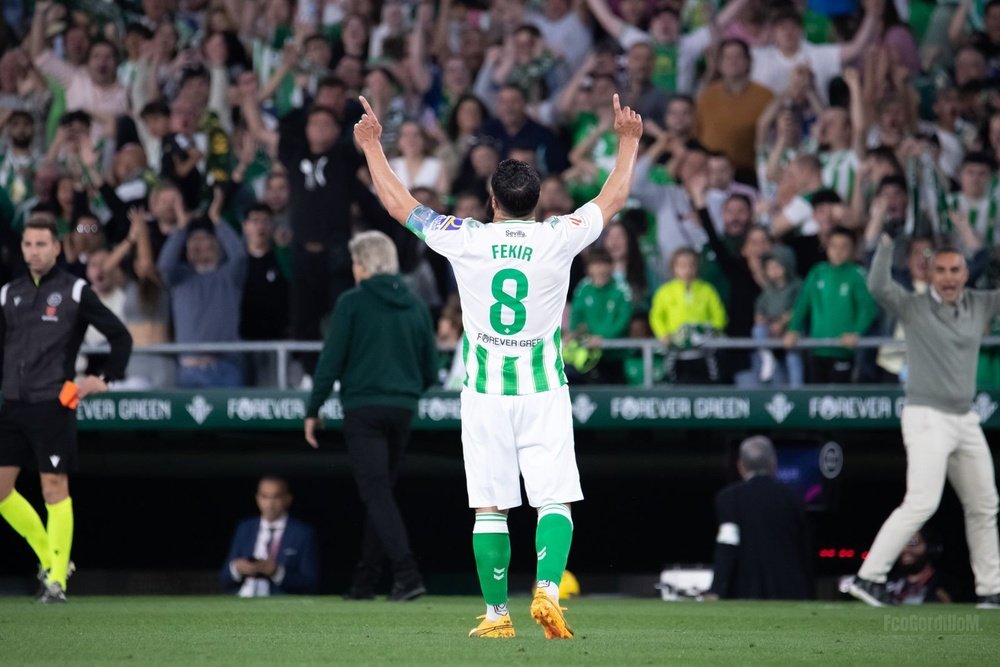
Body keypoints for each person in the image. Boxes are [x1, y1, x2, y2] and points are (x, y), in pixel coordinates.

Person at [352, 93, 642, 638]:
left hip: (484, 392)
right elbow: (615, 195)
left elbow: (399, 205)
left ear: (492, 200)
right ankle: (549, 590)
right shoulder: (559, 236)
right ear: (538, 202)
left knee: (490, 507)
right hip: (543, 390)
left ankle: (495, 615)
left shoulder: (468, 239)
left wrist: (372, 145)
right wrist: (627, 141)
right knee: (553, 498)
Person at [849, 235, 1000, 609]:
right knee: (921, 502)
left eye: (955, 270)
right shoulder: (914, 306)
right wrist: (886, 243)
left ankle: (990, 589)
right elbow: (878, 285)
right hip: (926, 416)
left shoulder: (980, 304)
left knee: (984, 504)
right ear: (931, 274)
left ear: (966, 274)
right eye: (942, 271)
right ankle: (869, 577)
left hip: (964, 418)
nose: (949, 278)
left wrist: (981, 240)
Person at [0, 215, 132, 602]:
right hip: (12, 404)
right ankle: (48, 556)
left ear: (57, 248)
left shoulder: (75, 291)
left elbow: (120, 337)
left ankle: (57, 580)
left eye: (41, 244)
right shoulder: (9, 294)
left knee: (53, 488)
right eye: (28, 244)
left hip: (54, 403)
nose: (34, 251)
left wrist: (102, 378)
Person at [304, 231, 437, 602]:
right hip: (402, 409)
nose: (353, 268)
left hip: (363, 409)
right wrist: (406, 390)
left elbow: (330, 362)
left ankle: (408, 575)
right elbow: (431, 368)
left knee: (377, 492)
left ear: (363, 264)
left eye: (354, 262)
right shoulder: (415, 305)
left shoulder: (351, 303)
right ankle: (365, 581)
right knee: (382, 495)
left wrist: (313, 409)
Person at [707, 436, 810, 600]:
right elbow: (805, 548)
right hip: (790, 592)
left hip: (745, 592)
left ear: (741, 466)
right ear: (773, 464)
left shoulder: (728, 498)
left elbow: (727, 545)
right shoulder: (793, 498)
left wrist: (716, 589)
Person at [783, 227, 879, 384]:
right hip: (816, 348)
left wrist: (856, 332)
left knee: (839, 399)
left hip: (843, 350)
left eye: (844, 247)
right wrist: (793, 328)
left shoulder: (857, 275)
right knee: (816, 399)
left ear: (853, 250)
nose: (838, 251)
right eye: (833, 246)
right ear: (826, 247)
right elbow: (803, 304)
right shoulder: (817, 272)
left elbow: (868, 309)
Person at [220, 476, 319, 597]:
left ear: (288, 499)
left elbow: (310, 582)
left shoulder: (302, 533)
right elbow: (224, 577)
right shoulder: (245, 528)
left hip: (280, 602)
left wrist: (277, 572)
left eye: (276, 497)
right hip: (243, 597)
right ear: (257, 499)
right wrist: (237, 568)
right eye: (265, 496)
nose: (270, 503)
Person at [885, 529, 952, 605]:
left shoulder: (947, 584)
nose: (905, 549)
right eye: (901, 544)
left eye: (913, 542)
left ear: (930, 547)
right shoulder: (888, 583)